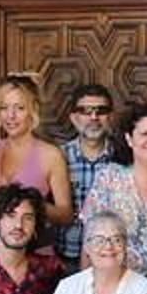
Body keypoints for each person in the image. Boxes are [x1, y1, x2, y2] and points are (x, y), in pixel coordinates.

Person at [79, 104, 147, 278]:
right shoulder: (109, 176)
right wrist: (85, 288)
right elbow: (90, 238)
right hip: (113, 280)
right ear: (129, 139)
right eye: (145, 134)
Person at [0, 75, 75, 231]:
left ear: (33, 111)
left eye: (19, 108)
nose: (11, 115)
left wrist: (33, 203)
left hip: (36, 249)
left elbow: (66, 215)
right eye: (4, 108)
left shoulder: (50, 155)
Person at [55, 85, 115, 266]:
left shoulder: (123, 157)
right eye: (85, 111)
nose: (94, 117)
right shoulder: (58, 157)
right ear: (73, 118)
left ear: (111, 117)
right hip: (65, 258)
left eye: (101, 111)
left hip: (110, 257)